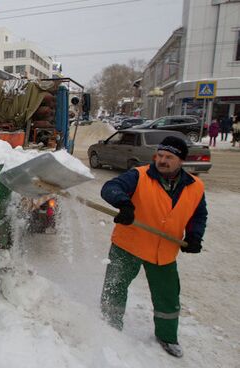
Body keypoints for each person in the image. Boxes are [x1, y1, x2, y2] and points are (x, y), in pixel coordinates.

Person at [100, 135, 207, 358]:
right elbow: (111, 187)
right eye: (159, 155)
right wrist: (124, 203)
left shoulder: (195, 186)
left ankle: (167, 337)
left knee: (167, 296)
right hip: (128, 244)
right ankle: (108, 327)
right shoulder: (139, 175)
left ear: (181, 161)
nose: (161, 160)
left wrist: (195, 236)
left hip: (164, 251)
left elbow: (198, 215)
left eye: (168, 157)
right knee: (115, 287)